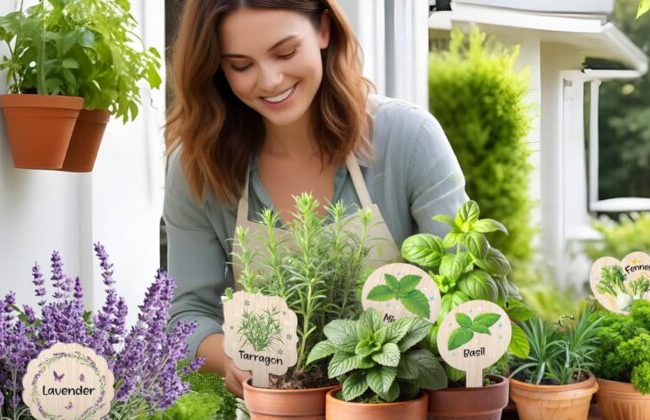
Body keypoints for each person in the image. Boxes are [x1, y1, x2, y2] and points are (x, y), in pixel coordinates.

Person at [163, 0, 468, 396]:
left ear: (324, 30)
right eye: (241, 65)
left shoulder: (408, 139)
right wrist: (231, 358)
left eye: (285, 52)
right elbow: (188, 315)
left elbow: (466, 285)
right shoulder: (198, 168)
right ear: (217, 68)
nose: (270, 80)